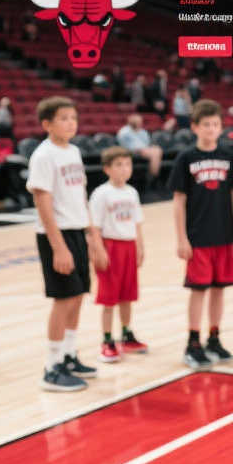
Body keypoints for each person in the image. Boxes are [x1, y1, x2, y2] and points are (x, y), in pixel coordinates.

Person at [26, 96, 105, 391]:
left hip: (77, 231)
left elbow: (80, 196)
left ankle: (69, 356)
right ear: (47, 124)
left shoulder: (73, 151)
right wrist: (58, 246)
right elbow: (42, 202)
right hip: (56, 235)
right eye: (63, 118)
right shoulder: (43, 156)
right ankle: (52, 367)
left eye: (73, 117)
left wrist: (92, 235)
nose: (71, 123)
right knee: (64, 298)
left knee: (78, 295)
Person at [169, 99, 233, 369]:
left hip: (225, 235)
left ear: (221, 127)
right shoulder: (186, 158)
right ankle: (193, 343)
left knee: (219, 290)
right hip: (197, 237)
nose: (211, 129)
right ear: (194, 127)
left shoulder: (229, 157)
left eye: (215, 124)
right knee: (198, 290)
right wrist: (181, 238)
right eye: (205, 124)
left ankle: (214, 338)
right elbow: (178, 202)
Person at [88, 146, 148, 362]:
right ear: (107, 169)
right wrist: (98, 250)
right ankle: (107, 340)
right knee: (109, 298)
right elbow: (94, 227)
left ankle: (126, 334)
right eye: (119, 165)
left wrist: (140, 246)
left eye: (128, 164)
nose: (124, 169)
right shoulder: (101, 193)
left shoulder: (132, 192)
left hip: (129, 246)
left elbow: (137, 223)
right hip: (110, 246)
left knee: (127, 296)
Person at [117, 114, 163, 178]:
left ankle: (153, 175)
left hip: (144, 149)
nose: (139, 123)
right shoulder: (124, 132)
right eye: (137, 121)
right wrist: (141, 149)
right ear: (131, 122)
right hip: (131, 151)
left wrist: (151, 147)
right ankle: (153, 176)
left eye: (140, 121)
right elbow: (125, 145)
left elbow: (147, 144)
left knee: (158, 150)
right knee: (155, 153)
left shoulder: (143, 132)